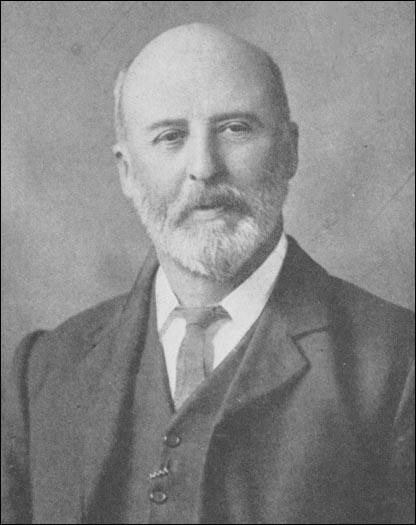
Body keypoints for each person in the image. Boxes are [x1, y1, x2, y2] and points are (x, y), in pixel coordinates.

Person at [2, 23, 414, 525]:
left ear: (290, 150)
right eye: (170, 136)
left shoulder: (398, 363)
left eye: (235, 129)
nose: (204, 166)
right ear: (127, 172)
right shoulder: (44, 371)